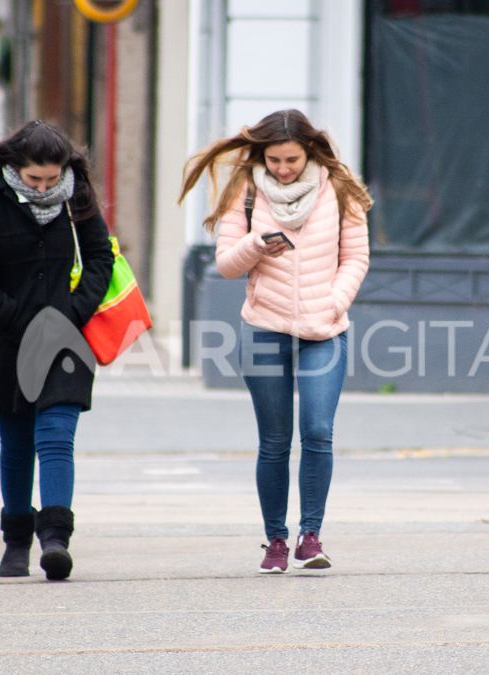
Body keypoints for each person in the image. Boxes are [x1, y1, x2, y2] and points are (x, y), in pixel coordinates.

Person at [179, 109, 372, 574]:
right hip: (264, 330)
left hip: (323, 332)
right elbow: (226, 264)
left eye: (292, 159)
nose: (283, 169)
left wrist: (333, 302)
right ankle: (275, 541)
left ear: (310, 152)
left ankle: (311, 536)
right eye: (274, 160)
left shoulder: (339, 188)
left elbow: (357, 258)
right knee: (274, 442)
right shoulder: (244, 191)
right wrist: (257, 246)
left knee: (318, 432)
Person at [0, 120, 114, 581]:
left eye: (52, 179)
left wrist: (73, 312)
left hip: (64, 337)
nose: (44, 187)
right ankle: (16, 541)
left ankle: (55, 539)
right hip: (6, 335)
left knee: (56, 435)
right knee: (15, 443)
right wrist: (7, 312)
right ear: (17, 168)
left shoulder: (77, 196)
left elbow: (101, 258)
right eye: (35, 179)